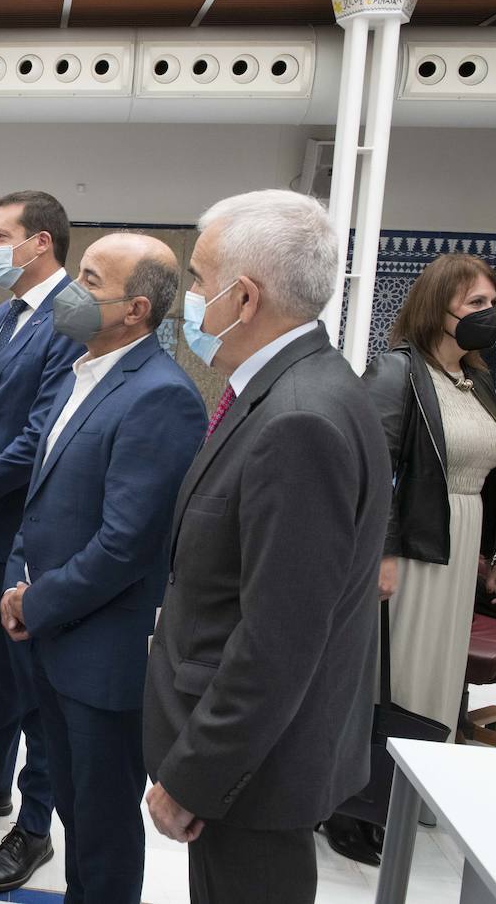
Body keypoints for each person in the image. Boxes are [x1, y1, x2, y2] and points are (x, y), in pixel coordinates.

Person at [142, 190, 392, 904]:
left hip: (253, 774)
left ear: (243, 297)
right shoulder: (294, 387)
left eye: (196, 279)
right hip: (259, 761)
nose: (188, 296)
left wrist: (195, 776)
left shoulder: (299, 420)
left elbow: (279, 640)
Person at [0, 234, 206, 903]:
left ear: (136, 309)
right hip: (50, 635)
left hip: (100, 655)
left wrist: (37, 602)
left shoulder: (161, 397)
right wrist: (12, 583)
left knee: (106, 826)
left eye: (88, 282)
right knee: (76, 814)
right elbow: (42, 502)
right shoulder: (78, 373)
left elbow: (125, 545)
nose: (69, 293)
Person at [0, 190, 82, 893]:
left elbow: (43, 437)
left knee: (32, 682)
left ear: (40, 243)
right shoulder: (8, 311)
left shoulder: (72, 316)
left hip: (28, 525)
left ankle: (35, 827)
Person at [366, 255, 496, 731]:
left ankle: (426, 781)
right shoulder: (395, 371)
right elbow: (372, 469)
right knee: (404, 672)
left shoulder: (477, 380)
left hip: (462, 545)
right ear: (436, 306)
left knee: (444, 669)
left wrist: (495, 553)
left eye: (492, 302)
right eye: (475, 302)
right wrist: (381, 553)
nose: (489, 313)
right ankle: (385, 792)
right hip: (414, 545)